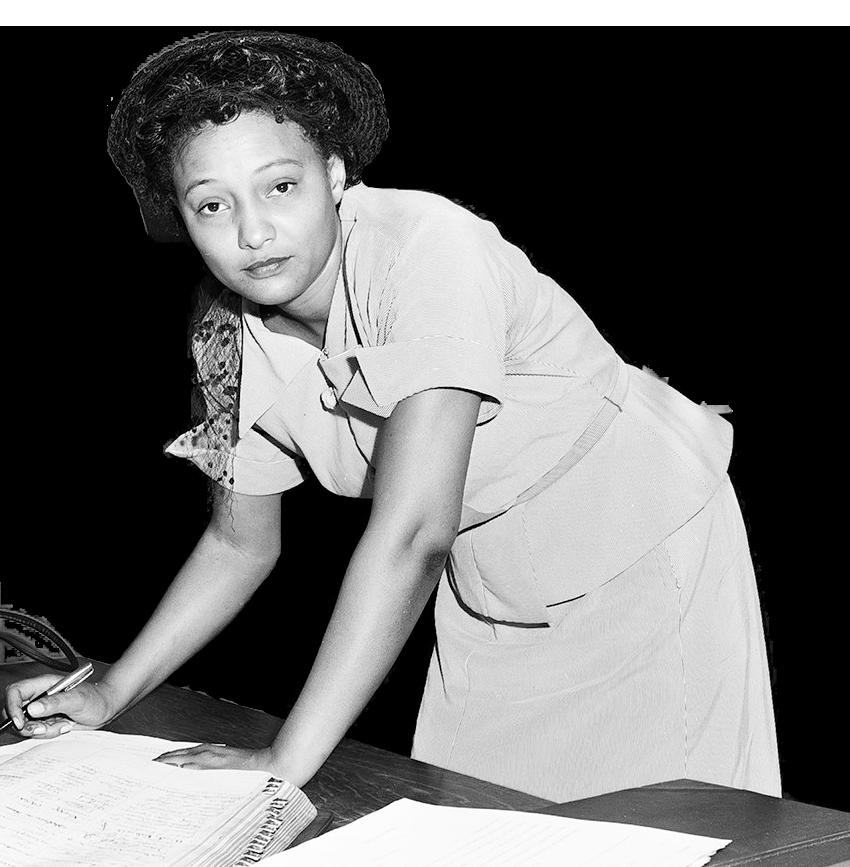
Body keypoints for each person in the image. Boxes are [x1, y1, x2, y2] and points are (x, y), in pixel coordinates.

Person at [2, 30, 781, 803]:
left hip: (642, 538)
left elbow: (414, 533)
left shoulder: (429, 249)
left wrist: (283, 760)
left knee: (657, 830)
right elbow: (238, 543)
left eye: (280, 187)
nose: (252, 232)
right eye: (213, 204)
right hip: (491, 584)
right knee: (476, 829)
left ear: (334, 172)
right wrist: (111, 690)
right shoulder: (224, 332)